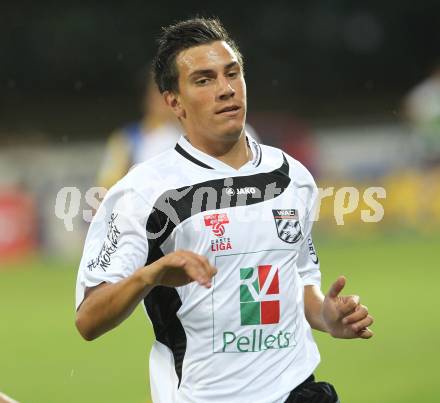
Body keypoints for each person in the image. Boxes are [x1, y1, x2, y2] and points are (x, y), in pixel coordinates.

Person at [75, 18, 374, 403]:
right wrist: (149, 276)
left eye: (232, 74)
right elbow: (89, 319)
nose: (226, 89)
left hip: (298, 388)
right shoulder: (143, 191)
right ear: (173, 102)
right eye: (204, 80)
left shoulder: (290, 176)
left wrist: (326, 316)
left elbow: (297, 279)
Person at [97, 71, 181, 189]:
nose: (164, 100)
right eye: (158, 93)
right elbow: (105, 189)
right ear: (148, 98)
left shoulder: (191, 136)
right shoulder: (127, 138)